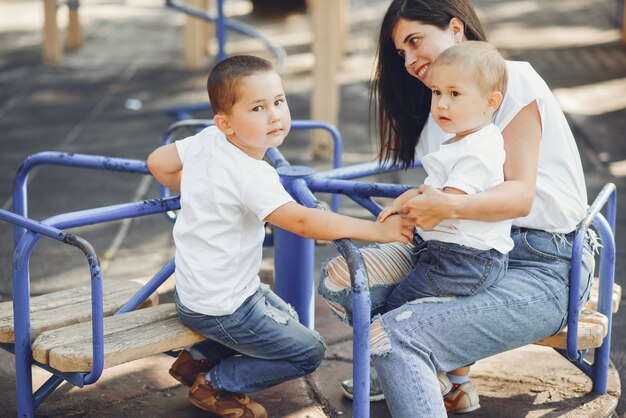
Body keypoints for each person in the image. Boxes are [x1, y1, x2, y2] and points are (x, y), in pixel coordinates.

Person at [316, 0, 597, 416]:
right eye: (401, 53)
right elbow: (453, 187)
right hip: (458, 249)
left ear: (455, 28)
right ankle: (444, 377)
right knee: (340, 280)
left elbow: (518, 197)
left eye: (414, 42)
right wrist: (412, 201)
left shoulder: (511, 78)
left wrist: (445, 205)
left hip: (545, 259)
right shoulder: (441, 109)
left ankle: (419, 364)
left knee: (391, 338)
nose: (409, 61)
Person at [147, 54, 414, 418]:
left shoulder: (208, 140)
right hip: (223, 306)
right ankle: (216, 383)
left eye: (278, 101)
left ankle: (195, 359)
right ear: (225, 123)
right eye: (257, 108)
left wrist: (199, 188)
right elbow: (302, 222)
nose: (274, 115)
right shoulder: (252, 175)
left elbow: (158, 162)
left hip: (194, 293)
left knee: (284, 313)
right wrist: (376, 231)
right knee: (307, 351)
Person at [379, 41, 512, 313]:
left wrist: (405, 212)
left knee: (394, 309)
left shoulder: (477, 150)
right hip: (452, 253)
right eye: (437, 92)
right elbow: (435, 194)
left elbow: (444, 204)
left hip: (464, 260)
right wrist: (405, 200)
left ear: (491, 102)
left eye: (454, 93)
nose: (442, 103)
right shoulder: (466, 140)